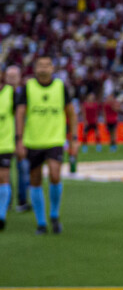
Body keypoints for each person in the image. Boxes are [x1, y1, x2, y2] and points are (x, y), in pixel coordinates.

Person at [15, 55, 79, 234]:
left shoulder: (60, 87)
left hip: (55, 140)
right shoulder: (28, 88)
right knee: (35, 180)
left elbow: (71, 114)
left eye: (47, 65)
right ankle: (41, 223)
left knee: (55, 173)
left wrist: (74, 138)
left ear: (53, 68)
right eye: (40, 65)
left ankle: (54, 214)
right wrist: (19, 140)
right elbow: (20, 114)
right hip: (33, 141)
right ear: (35, 69)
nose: (43, 68)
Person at [0, 66, 25, 229]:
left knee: (5, 178)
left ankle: (2, 214)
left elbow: (19, 117)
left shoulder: (12, 93)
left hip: (5, 143)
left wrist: (19, 140)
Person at [4, 66, 31, 213]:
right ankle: (6, 200)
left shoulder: (24, 93)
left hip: (21, 138)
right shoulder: (3, 94)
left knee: (23, 170)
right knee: (5, 173)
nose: (12, 79)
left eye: (14, 76)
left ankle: (22, 200)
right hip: (5, 139)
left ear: (19, 77)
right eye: (9, 76)